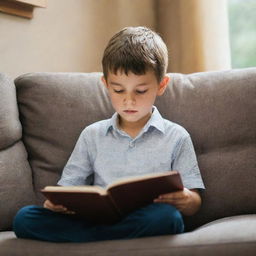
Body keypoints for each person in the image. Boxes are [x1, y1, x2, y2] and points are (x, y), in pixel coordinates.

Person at [13, 26, 205, 243]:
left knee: (168, 218)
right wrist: (56, 203)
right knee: (24, 218)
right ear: (106, 85)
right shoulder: (92, 135)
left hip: (146, 218)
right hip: (96, 219)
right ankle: (108, 238)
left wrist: (186, 199)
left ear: (161, 85)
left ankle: (95, 241)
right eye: (119, 90)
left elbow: (194, 202)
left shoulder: (176, 136)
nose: (129, 100)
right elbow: (68, 187)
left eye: (140, 91)